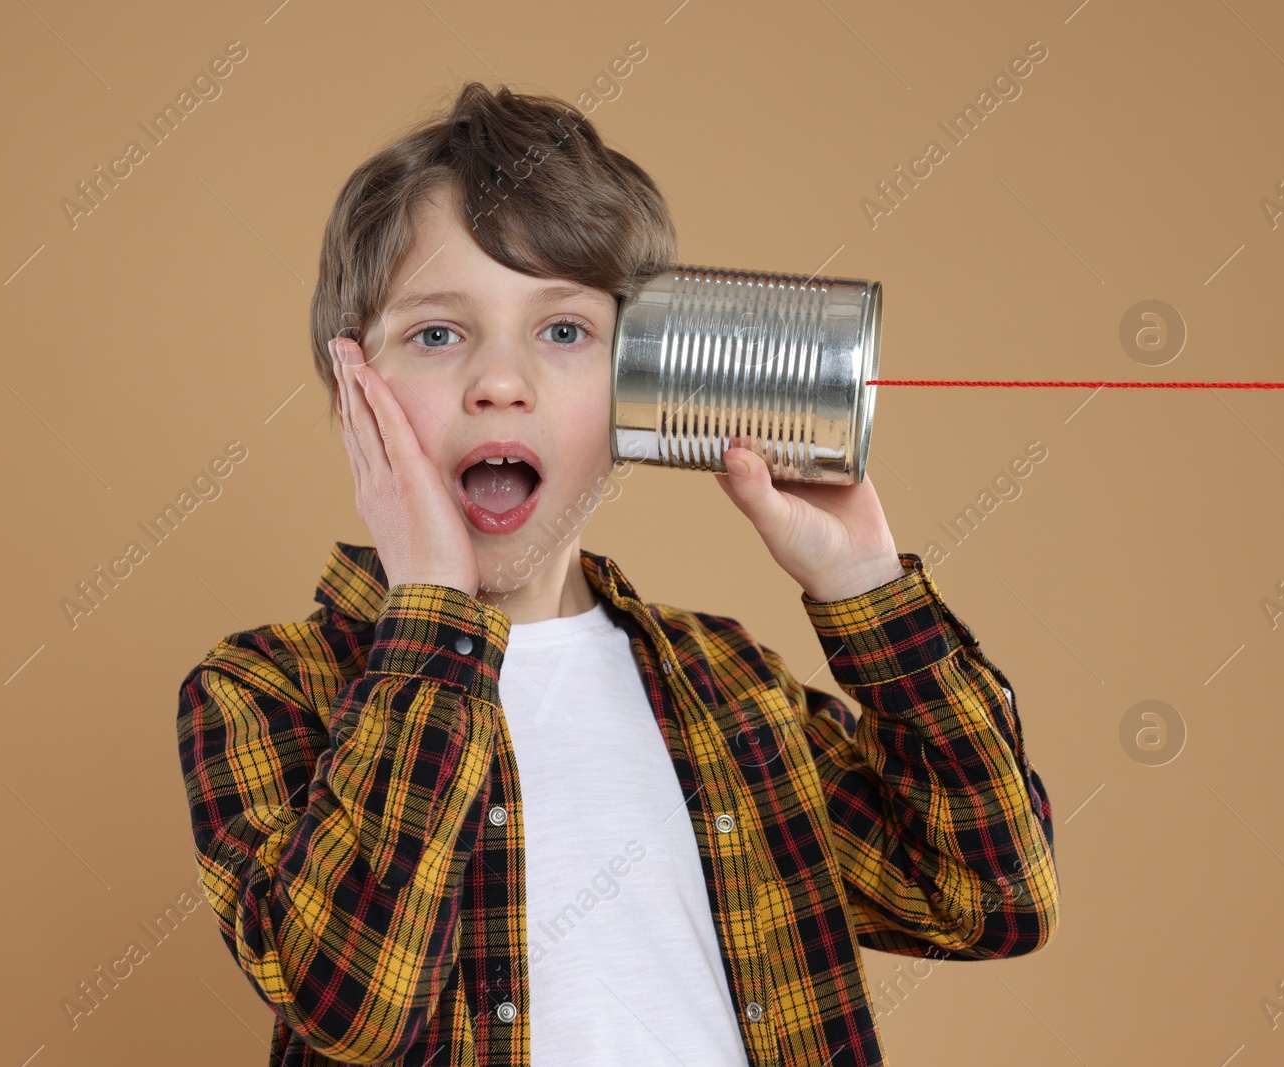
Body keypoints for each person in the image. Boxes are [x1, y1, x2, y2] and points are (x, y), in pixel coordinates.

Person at [175, 81, 1058, 1067]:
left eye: (564, 332)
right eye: (436, 333)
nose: (499, 380)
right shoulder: (265, 689)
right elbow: (351, 1004)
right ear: (353, 389)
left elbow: (989, 897)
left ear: (640, 385)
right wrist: (429, 607)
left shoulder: (730, 686)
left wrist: (864, 589)